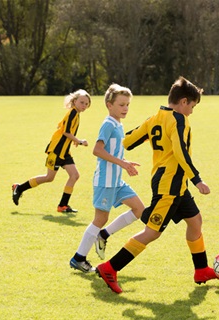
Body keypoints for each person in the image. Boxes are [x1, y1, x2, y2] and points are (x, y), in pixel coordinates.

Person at [96, 76, 218, 294]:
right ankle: (109, 268)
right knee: (152, 232)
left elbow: (129, 140)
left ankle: (201, 270)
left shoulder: (156, 118)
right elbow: (180, 152)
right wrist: (197, 179)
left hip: (175, 184)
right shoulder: (179, 119)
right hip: (169, 185)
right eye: (192, 105)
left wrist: (152, 134)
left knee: (195, 221)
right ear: (183, 102)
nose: (191, 110)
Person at [70, 84, 145, 273]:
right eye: (121, 105)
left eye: (127, 104)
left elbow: (112, 152)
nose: (125, 108)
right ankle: (78, 258)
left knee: (139, 209)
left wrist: (126, 162)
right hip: (105, 181)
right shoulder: (108, 124)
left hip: (117, 181)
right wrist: (122, 163)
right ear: (109, 105)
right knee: (100, 218)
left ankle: (103, 235)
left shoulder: (118, 124)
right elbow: (97, 150)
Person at [12, 89, 91, 213]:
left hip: (65, 152)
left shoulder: (76, 113)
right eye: (82, 102)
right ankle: (19, 188)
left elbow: (64, 129)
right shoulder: (73, 113)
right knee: (49, 177)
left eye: (86, 104)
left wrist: (73, 140)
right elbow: (66, 131)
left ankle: (63, 205)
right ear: (75, 101)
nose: (84, 106)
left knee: (74, 175)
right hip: (56, 150)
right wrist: (79, 140)